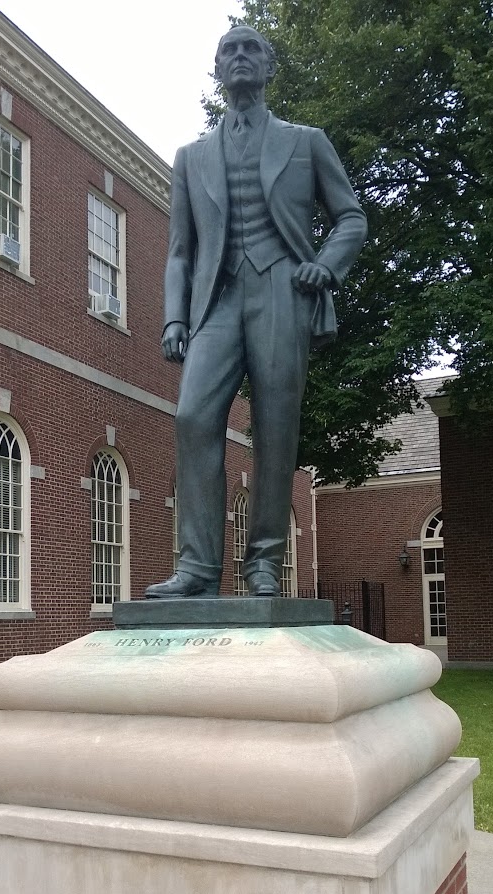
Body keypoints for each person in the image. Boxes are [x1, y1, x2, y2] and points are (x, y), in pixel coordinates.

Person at [146, 25, 367, 599]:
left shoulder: (306, 141)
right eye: (229, 51)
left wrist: (328, 265)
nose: (240, 57)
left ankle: (264, 562)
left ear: (269, 68)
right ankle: (197, 566)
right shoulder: (190, 158)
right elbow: (180, 252)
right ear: (217, 71)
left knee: (275, 428)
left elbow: (351, 217)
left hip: (280, 292)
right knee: (193, 417)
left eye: (252, 50)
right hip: (216, 301)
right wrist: (174, 318)